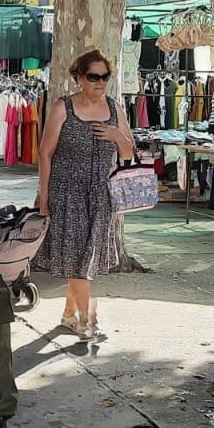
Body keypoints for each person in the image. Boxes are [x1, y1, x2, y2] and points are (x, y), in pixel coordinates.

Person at [35, 49, 136, 340]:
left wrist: (118, 137)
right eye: (94, 76)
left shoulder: (116, 108)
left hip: (101, 195)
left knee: (85, 258)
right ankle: (88, 320)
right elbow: (45, 153)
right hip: (67, 192)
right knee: (80, 257)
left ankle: (69, 314)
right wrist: (44, 195)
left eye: (105, 77)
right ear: (79, 77)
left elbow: (129, 153)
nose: (100, 82)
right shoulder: (62, 107)